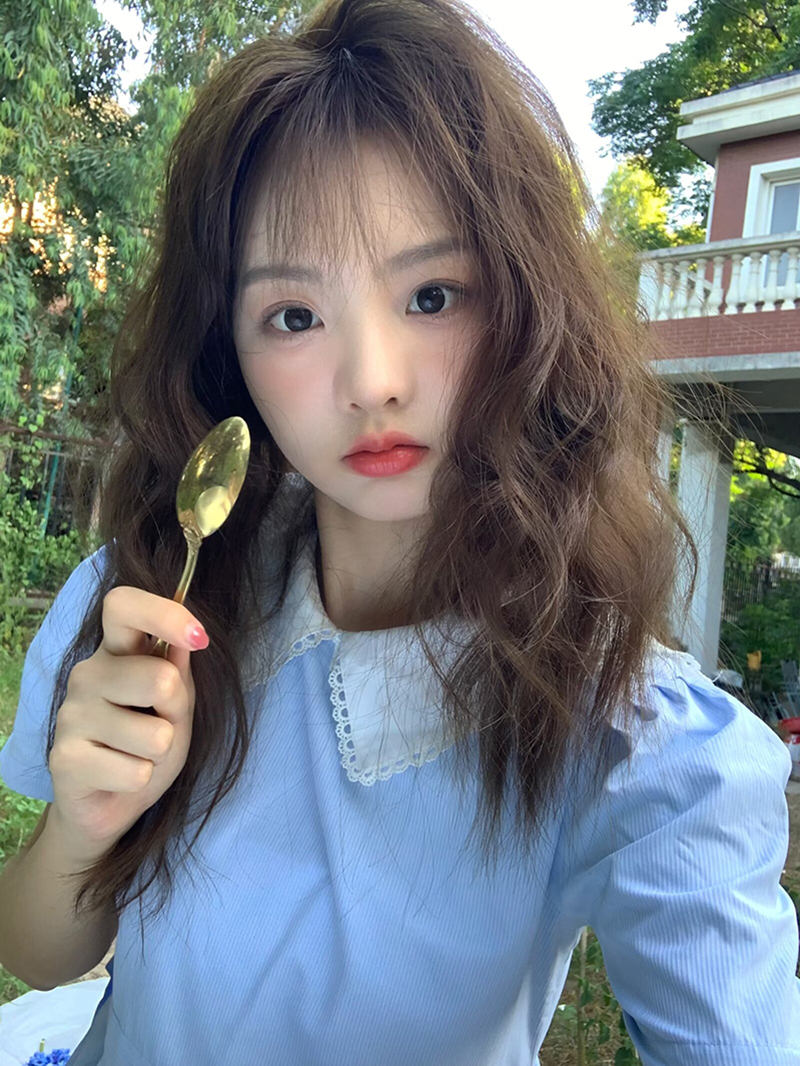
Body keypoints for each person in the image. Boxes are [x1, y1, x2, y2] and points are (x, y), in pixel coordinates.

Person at [1, 0, 798, 1062]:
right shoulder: (150, 606)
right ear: (230, 352)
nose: (372, 381)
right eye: (294, 316)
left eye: (432, 295)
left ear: (525, 307)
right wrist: (86, 822)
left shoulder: (631, 738)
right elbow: (39, 954)